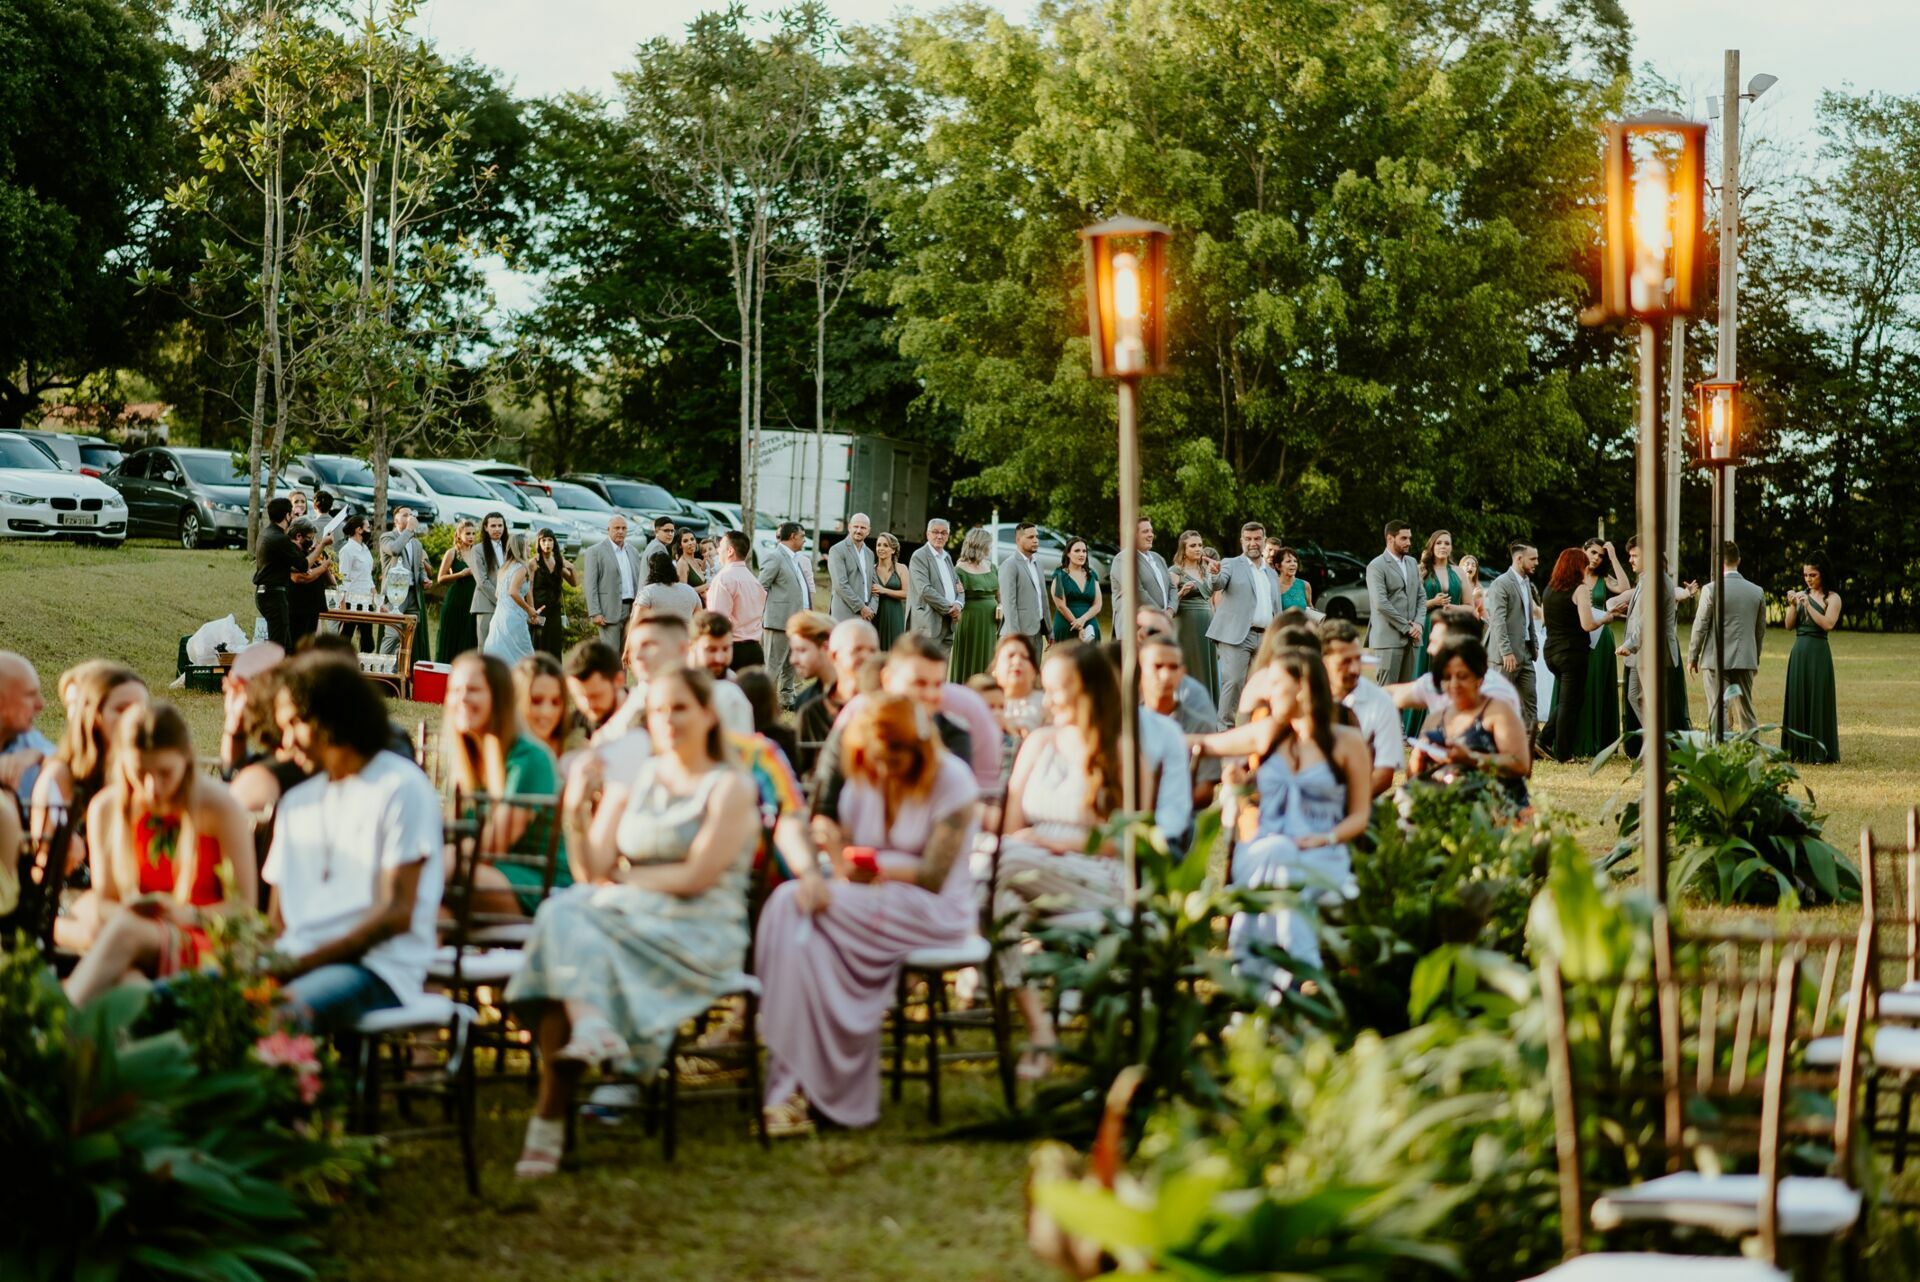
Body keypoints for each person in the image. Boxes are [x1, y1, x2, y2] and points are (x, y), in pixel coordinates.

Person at [506, 668, 760, 1179]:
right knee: (563, 911)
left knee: (566, 935)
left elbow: (696, 876)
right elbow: (590, 870)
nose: (667, 721)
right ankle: (592, 1029)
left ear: (708, 715)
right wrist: (577, 808)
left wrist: (625, 878)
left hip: (698, 929)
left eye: (680, 708)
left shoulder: (728, 785)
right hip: (631, 915)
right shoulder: (643, 776)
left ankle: (549, 1124)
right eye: (658, 712)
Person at [757, 693, 980, 1135]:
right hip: (870, 903)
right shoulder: (863, 776)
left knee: (787, 904)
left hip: (933, 909)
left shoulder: (952, 780)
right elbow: (848, 862)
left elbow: (934, 875)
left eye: (896, 756)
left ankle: (795, 1085)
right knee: (806, 940)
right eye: (878, 757)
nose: (886, 767)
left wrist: (873, 865)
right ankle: (801, 1091)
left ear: (919, 749)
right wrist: (841, 858)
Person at [263, 655, 444, 1032]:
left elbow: (396, 913)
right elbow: (276, 921)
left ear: (330, 715)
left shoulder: (400, 787)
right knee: (178, 998)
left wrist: (299, 965)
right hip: (293, 960)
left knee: (274, 1018)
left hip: (377, 969)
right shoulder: (297, 801)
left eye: (295, 723)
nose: (286, 740)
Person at [1193, 646, 1370, 994]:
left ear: (1302, 687)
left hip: (1321, 853)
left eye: (1276, 684)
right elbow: (1204, 743)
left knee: (1280, 865)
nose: (1267, 692)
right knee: (1276, 854)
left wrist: (1326, 838)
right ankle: (1303, 976)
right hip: (1266, 850)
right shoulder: (1269, 734)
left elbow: (1360, 816)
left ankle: (1254, 979)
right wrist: (1239, 787)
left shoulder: (1347, 742)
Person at [63, 703, 259, 1006]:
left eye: (165, 772)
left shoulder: (218, 808)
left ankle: (56, 1025)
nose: (152, 787)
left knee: (122, 935)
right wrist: (132, 913)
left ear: (187, 757)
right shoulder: (106, 808)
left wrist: (184, 914)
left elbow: (244, 908)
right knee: (127, 979)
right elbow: (107, 901)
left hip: (209, 937)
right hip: (134, 938)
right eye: (140, 772)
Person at [993, 642, 1124, 1078]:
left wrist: (1052, 845)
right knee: (999, 898)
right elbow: (1011, 829)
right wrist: (1031, 847)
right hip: (1027, 867)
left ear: (1087, 689)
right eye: (1044, 689)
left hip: (1100, 877)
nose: (1045, 701)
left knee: (991, 866)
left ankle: (936, 944)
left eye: (1056, 689)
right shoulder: (1038, 742)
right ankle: (1040, 1027)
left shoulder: (1119, 749)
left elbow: (1123, 842)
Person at [443, 652, 564, 916]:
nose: (461, 698)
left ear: (498, 698)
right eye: (455, 689)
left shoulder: (530, 758)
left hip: (543, 885)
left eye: (473, 690)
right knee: (436, 911)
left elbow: (492, 845)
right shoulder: (470, 760)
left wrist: (437, 860)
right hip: (488, 873)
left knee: (447, 875)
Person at [32, 663, 148, 900]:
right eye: (122, 709)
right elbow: (41, 868)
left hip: (137, 899)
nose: (135, 718)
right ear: (95, 716)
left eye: (142, 709)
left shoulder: (149, 775)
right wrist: (61, 850)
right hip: (73, 904)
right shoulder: (60, 777)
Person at [1413, 635, 1533, 811]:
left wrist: (1472, 758)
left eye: (1462, 676)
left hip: (1496, 809)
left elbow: (1520, 764)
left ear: (1480, 679)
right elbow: (1415, 779)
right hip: (1446, 807)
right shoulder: (1435, 718)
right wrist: (1419, 758)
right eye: (1447, 677)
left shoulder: (1498, 712)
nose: (1454, 684)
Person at [1617, 536, 1694, 753]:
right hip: (1641, 653)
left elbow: (1649, 619)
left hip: (1653, 651)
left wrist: (1630, 644)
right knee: (1634, 696)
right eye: (1630, 556)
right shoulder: (1647, 579)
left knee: (1651, 702)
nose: (1630, 560)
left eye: (1635, 556)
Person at [1387, 606, 1526, 726]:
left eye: (1435, 643)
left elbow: (1512, 755)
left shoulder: (1496, 692)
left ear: (1458, 645)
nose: (1429, 650)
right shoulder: (1435, 682)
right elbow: (1392, 694)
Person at [1687, 540, 1768, 737]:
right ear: (1738, 560)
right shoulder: (1756, 592)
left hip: (1715, 658)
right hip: (1745, 658)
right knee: (1746, 709)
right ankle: (1752, 750)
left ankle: (1719, 751)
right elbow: (1760, 631)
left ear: (1718, 561)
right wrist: (1754, 659)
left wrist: (1692, 656)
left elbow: (1700, 626)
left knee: (1717, 708)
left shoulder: (1710, 589)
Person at [1207, 522, 1283, 723]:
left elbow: (1277, 608)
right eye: (1248, 539)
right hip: (1237, 636)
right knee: (1234, 682)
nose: (1253, 543)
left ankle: (1253, 727)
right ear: (1242, 541)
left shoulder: (1271, 573)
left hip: (1266, 637)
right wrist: (1213, 574)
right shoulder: (1230, 564)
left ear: (1264, 541)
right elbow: (1217, 582)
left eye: (1257, 539)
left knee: (1262, 684)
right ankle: (1225, 728)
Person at [1560, 539, 1627, 758]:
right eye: (1593, 553)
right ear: (1583, 551)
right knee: (1577, 686)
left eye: (1600, 555)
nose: (1596, 558)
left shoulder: (1603, 579)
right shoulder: (1572, 577)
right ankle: (1574, 739)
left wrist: (1614, 556)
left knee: (1596, 683)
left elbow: (1625, 589)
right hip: (1577, 634)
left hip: (1601, 637)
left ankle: (1598, 740)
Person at [1317, 620, 1400, 797]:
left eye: (1358, 659)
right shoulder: (1304, 696)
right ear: (1322, 662)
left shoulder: (1381, 703)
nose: (1355, 669)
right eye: (1345, 662)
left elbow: (1384, 774)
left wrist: (1349, 807)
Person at [1540, 548, 1606, 761]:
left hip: (1551, 651)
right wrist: (1606, 618)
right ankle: (1564, 754)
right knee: (1570, 703)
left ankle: (1542, 740)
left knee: (1570, 699)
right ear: (1578, 566)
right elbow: (1587, 624)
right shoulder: (1580, 590)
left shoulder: (1549, 589)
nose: (1588, 569)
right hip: (1572, 653)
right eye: (1585, 565)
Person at [1783, 554, 1841, 764]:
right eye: (1805, 575)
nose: (1808, 579)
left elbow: (1828, 624)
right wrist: (1792, 605)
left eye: (1813, 575)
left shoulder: (1832, 598)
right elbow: (1789, 625)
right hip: (1799, 652)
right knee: (1798, 696)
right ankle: (1797, 750)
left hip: (1819, 654)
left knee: (1818, 699)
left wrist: (1807, 606)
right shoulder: (1801, 595)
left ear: (1822, 574)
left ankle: (1819, 752)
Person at [1485, 542, 1542, 738]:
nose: (1537, 562)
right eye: (1533, 559)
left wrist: (1533, 642)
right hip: (1504, 656)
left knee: (1530, 699)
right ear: (1519, 559)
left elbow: (1528, 617)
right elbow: (1497, 621)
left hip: (1525, 652)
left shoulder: (1526, 582)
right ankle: (1492, 741)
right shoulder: (1501, 584)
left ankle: (1531, 744)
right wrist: (1506, 651)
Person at [799, 618, 879, 756]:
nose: (866, 657)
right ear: (834, 656)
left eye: (872, 651)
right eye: (857, 649)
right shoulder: (813, 711)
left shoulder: (886, 707)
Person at [760, 521, 817, 706]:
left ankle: (786, 699)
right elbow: (761, 586)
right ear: (793, 536)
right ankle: (765, 702)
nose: (804, 540)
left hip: (795, 622)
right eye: (802, 536)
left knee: (790, 665)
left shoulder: (795, 558)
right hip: (778, 621)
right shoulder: (775, 557)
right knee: (773, 665)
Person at [1366, 520, 1425, 687]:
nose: (1409, 543)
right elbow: (1381, 603)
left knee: (1405, 696)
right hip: (1387, 640)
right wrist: (1407, 628)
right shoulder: (1376, 566)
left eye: (1409, 538)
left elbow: (1421, 596)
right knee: (1387, 694)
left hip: (1413, 640)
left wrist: (1419, 624)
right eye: (1404, 538)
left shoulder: (1412, 562)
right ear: (1390, 538)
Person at [1, 652, 56, 821]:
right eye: (30, 695)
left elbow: (73, 763)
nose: (41, 704)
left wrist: (39, 756)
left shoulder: (27, 741)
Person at [705, 530, 769, 670]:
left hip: (732, 650)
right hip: (755, 651)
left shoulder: (723, 579)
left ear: (730, 551)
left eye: (720, 547)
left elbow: (718, 622)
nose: (717, 550)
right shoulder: (754, 581)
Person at [1168, 530, 1219, 702]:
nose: (1198, 549)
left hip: (1207, 622)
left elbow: (1212, 599)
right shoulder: (1175, 571)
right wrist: (1182, 592)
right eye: (1193, 545)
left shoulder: (1205, 570)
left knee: (1207, 665)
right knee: (1192, 663)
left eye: (1200, 545)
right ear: (1183, 549)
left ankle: (1210, 707)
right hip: (1187, 623)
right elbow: (1169, 600)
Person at [583, 515, 643, 655]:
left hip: (632, 610)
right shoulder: (595, 551)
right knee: (610, 655)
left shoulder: (633, 551)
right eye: (617, 528)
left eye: (624, 528)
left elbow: (638, 581)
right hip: (608, 611)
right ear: (608, 529)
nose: (620, 531)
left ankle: (621, 678)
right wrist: (595, 612)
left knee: (626, 655)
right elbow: (590, 584)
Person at [379, 507, 432, 665]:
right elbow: (395, 550)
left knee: (408, 639)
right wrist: (409, 530)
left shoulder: (416, 543)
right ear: (396, 520)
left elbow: (419, 568)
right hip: (394, 595)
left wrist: (424, 579)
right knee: (392, 635)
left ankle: (398, 672)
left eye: (411, 514)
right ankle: (381, 671)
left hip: (412, 595)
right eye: (405, 515)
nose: (410, 517)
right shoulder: (387, 537)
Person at [949, 526, 1001, 683]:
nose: (990, 548)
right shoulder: (959, 569)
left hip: (991, 621)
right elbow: (956, 597)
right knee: (970, 655)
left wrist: (1001, 606)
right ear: (979, 545)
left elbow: (999, 594)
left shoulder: (991, 566)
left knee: (988, 656)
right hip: (970, 620)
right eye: (988, 545)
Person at [252, 496, 302, 649]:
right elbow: (303, 565)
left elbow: (280, 561)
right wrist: (322, 546)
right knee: (279, 646)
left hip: (263, 593)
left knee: (283, 643)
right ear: (287, 515)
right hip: (274, 596)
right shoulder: (280, 538)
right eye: (291, 514)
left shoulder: (266, 533)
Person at [908, 518, 964, 652]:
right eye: (935, 532)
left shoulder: (947, 557)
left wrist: (959, 604)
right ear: (927, 534)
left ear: (948, 536)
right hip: (929, 623)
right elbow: (925, 590)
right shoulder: (919, 556)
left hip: (948, 623)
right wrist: (951, 609)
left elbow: (959, 586)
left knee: (942, 669)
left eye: (944, 533)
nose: (939, 536)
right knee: (924, 666)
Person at [484, 533, 540, 664]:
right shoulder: (521, 568)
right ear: (520, 548)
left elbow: (498, 594)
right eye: (527, 546)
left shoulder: (504, 567)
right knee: (525, 656)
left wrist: (531, 610)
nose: (530, 549)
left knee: (501, 655)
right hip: (513, 618)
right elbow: (513, 591)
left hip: (499, 617)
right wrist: (528, 610)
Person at [997, 522, 1050, 659]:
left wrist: (1049, 631)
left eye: (1036, 537)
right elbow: (1009, 604)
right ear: (1018, 540)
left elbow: (1043, 598)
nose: (1036, 540)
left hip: (1038, 630)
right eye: (1031, 537)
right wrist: (1015, 637)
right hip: (1019, 632)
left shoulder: (1038, 564)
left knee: (1034, 675)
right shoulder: (1010, 565)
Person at [434, 520, 481, 663]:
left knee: (469, 638)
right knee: (453, 638)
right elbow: (440, 578)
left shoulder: (477, 553)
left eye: (473, 533)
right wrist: (461, 574)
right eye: (467, 533)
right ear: (459, 535)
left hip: (473, 601)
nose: (471, 536)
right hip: (456, 600)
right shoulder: (452, 553)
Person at [515, 653, 574, 765]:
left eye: (555, 702)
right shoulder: (500, 752)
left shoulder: (577, 753)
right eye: (536, 701)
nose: (547, 712)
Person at [562, 640, 626, 739]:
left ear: (619, 681)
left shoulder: (649, 717)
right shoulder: (571, 727)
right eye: (580, 696)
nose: (588, 705)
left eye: (596, 696)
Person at [1113, 518, 1173, 620]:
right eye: (1145, 531)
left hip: (1160, 623)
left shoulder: (1158, 558)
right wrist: (1161, 614)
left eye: (1151, 531)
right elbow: (1137, 591)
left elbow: (1172, 587)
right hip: (1134, 625)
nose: (1151, 535)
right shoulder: (1122, 559)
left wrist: (1171, 610)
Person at [528, 529, 575, 657]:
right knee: (539, 644)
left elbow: (574, 583)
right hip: (539, 609)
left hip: (554, 610)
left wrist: (572, 567)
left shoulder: (557, 563)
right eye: (543, 540)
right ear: (538, 542)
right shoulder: (533, 563)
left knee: (554, 646)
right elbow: (529, 588)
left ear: (554, 543)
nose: (547, 543)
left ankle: (554, 675)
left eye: (550, 540)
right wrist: (531, 611)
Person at [1048, 537, 1102, 644]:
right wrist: (1078, 626)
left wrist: (1083, 619)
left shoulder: (1092, 575)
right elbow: (1061, 606)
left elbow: (1098, 604)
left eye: (1084, 551)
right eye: (1077, 551)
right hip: (1066, 627)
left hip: (1089, 625)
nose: (1081, 554)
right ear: (1068, 553)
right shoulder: (1059, 575)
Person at [335, 514, 378, 650]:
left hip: (365, 602)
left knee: (368, 643)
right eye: (367, 527)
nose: (369, 530)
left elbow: (368, 578)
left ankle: (365, 669)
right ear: (359, 530)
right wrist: (343, 609)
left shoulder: (365, 549)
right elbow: (343, 580)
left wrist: (376, 599)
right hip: (351, 601)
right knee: (344, 640)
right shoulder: (347, 551)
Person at [992, 633, 1046, 737]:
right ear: (995, 669)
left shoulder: (1048, 706)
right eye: (1010, 656)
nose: (1017, 661)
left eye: (1024, 657)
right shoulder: (982, 703)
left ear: (1034, 671)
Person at [828, 512, 878, 622]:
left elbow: (875, 585)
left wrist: (872, 609)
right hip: (844, 614)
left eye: (863, 528)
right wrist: (861, 607)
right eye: (856, 526)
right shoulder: (837, 550)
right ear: (849, 527)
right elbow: (840, 585)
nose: (859, 530)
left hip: (866, 615)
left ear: (868, 531)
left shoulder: (870, 554)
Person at [287, 519, 330, 645]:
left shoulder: (306, 552)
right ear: (299, 536)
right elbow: (298, 577)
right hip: (297, 608)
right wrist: (322, 567)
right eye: (309, 538)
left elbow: (332, 581)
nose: (311, 541)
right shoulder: (291, 550)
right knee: (297, 644)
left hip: (310, 608)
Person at [784, 611, 835, 714]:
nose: (793, 660)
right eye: (793, 651)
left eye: (802, 650)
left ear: (825, 648)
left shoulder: (860, 699)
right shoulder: (805, 702)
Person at [470, 512, 510, 645]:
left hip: (509, 604)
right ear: (486, 528)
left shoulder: (509, 549)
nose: (497, 529)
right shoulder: (477, 550)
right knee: (485, 645)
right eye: (493, 526)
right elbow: (482, 581)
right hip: (486, 604)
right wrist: (500, 599)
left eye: (500, 525)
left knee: (503, 645)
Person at [633, 550, 701, 623]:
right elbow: (700, 621)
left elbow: (636, 623)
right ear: (672, 567)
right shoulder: (690, 591)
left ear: (652, 570)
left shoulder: (647, 592)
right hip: (685, 633)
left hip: (659, 633)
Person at [872, 532, 908, 650]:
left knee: (895, 649)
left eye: (885, 545)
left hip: (895, 614)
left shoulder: (901, 568)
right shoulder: (871, 569)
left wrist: (884, 590)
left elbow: (907, 594)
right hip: (875, 614)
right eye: (879, 545)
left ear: (893, 550)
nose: (881, 548)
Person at [674, 529, 707, 593]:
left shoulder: (698, 561)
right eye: (685, 541)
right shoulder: (682, 564)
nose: (690, 543)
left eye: (692, 539)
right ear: (680, 545)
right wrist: (707, 586)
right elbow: (683, 592)